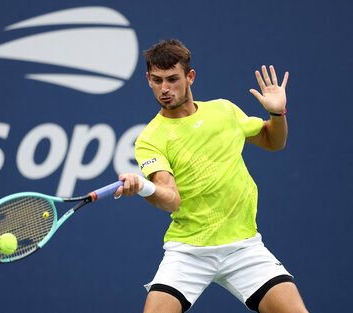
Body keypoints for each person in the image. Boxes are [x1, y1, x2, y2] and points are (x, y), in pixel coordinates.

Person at [114, 39, 308, 313]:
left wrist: (277, 113)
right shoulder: (150, 138)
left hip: (244, 247)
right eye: (157, 80)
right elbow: (170, 199)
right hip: (188, 252)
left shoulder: (224, 111)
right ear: (148, 79)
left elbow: (273, 141)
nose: (164, 89)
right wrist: (144, 187)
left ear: (190, 77)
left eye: (172, 79)